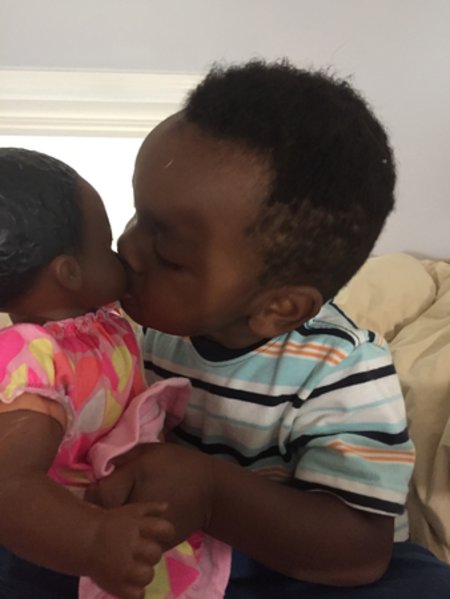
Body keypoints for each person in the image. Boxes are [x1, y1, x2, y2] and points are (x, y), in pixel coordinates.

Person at [90, 60, 450, 598]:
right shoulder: (146, 327)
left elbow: (360, 549)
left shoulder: (342, 372)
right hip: (176, 543)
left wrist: (211, 495)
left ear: (279, 308)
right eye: (139, 215)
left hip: (291, 561)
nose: (129, 249)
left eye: (167, 252)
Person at [0, 148, 231, 599]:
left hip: (118, 514)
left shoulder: (101, 319)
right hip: (55, 542)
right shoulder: (32, 355)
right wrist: (92, 541)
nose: (123, 252)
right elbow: (9, 485)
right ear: (70, 274)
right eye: (107, 246)